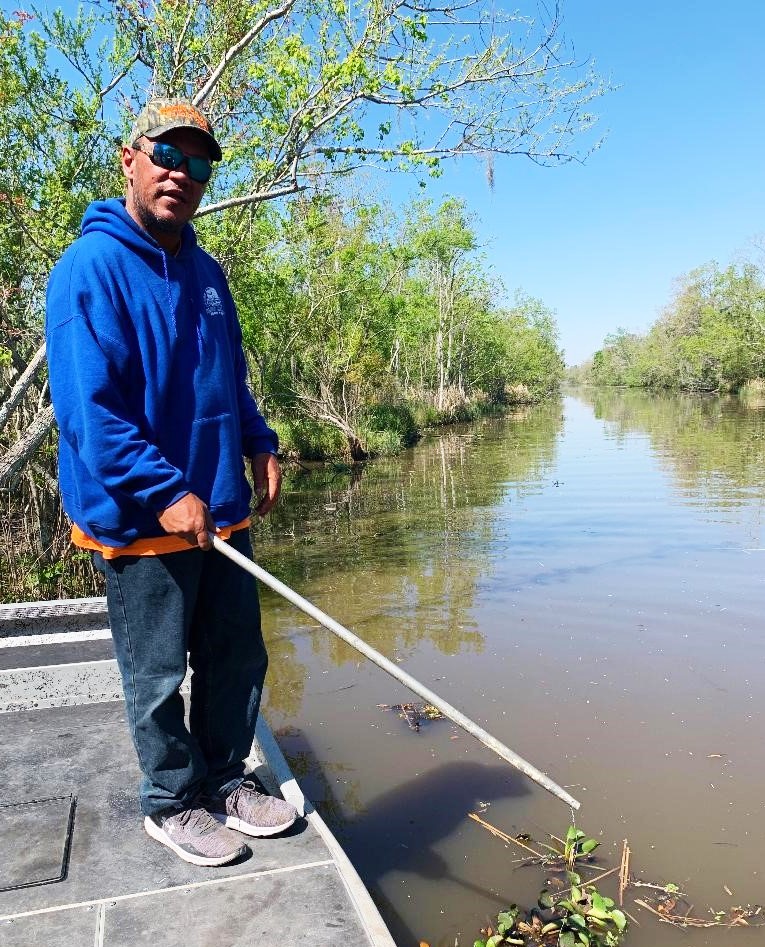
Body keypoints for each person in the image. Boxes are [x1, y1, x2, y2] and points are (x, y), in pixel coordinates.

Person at [45, 98, 298, 867]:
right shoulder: (89, 269)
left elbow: (229, 377)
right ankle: (170, 801)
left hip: (219, 507)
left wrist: (259, 442)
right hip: (141, 517)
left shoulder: (206, 270)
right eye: (167, 156)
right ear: (130, 158)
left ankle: (224, 778)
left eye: (198, 164)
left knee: (236, 656)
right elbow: (91, 413)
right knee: (155, 674)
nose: (181, 176)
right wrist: (164, 490)